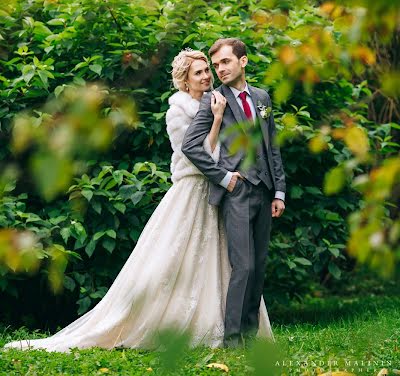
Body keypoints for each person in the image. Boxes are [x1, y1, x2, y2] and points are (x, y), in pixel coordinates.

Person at [3, 49, 273, 353]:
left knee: (221, 260)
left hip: (218, 192)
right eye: (198, 72)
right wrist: (217, 125)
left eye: (207, 70)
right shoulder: (179, 111)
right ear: (185, 80)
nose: (207, 76)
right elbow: (197, 156)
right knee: (171, 260)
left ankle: (225, 325)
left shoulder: (216, 102)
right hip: (192, 189)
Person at [182, 38, 286, 348]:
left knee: (260, 266)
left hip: (266, 192)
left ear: (243, 61)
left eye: (225, 62)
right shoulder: (213, 100)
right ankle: (232, 339)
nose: (220, 69)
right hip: (237, 193)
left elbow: (272, 148)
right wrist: (224, 177)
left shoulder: (262, 98)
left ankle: (250, 336)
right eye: (216, 65)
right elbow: (191, 146)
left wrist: (279, 191)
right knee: (244, 266)